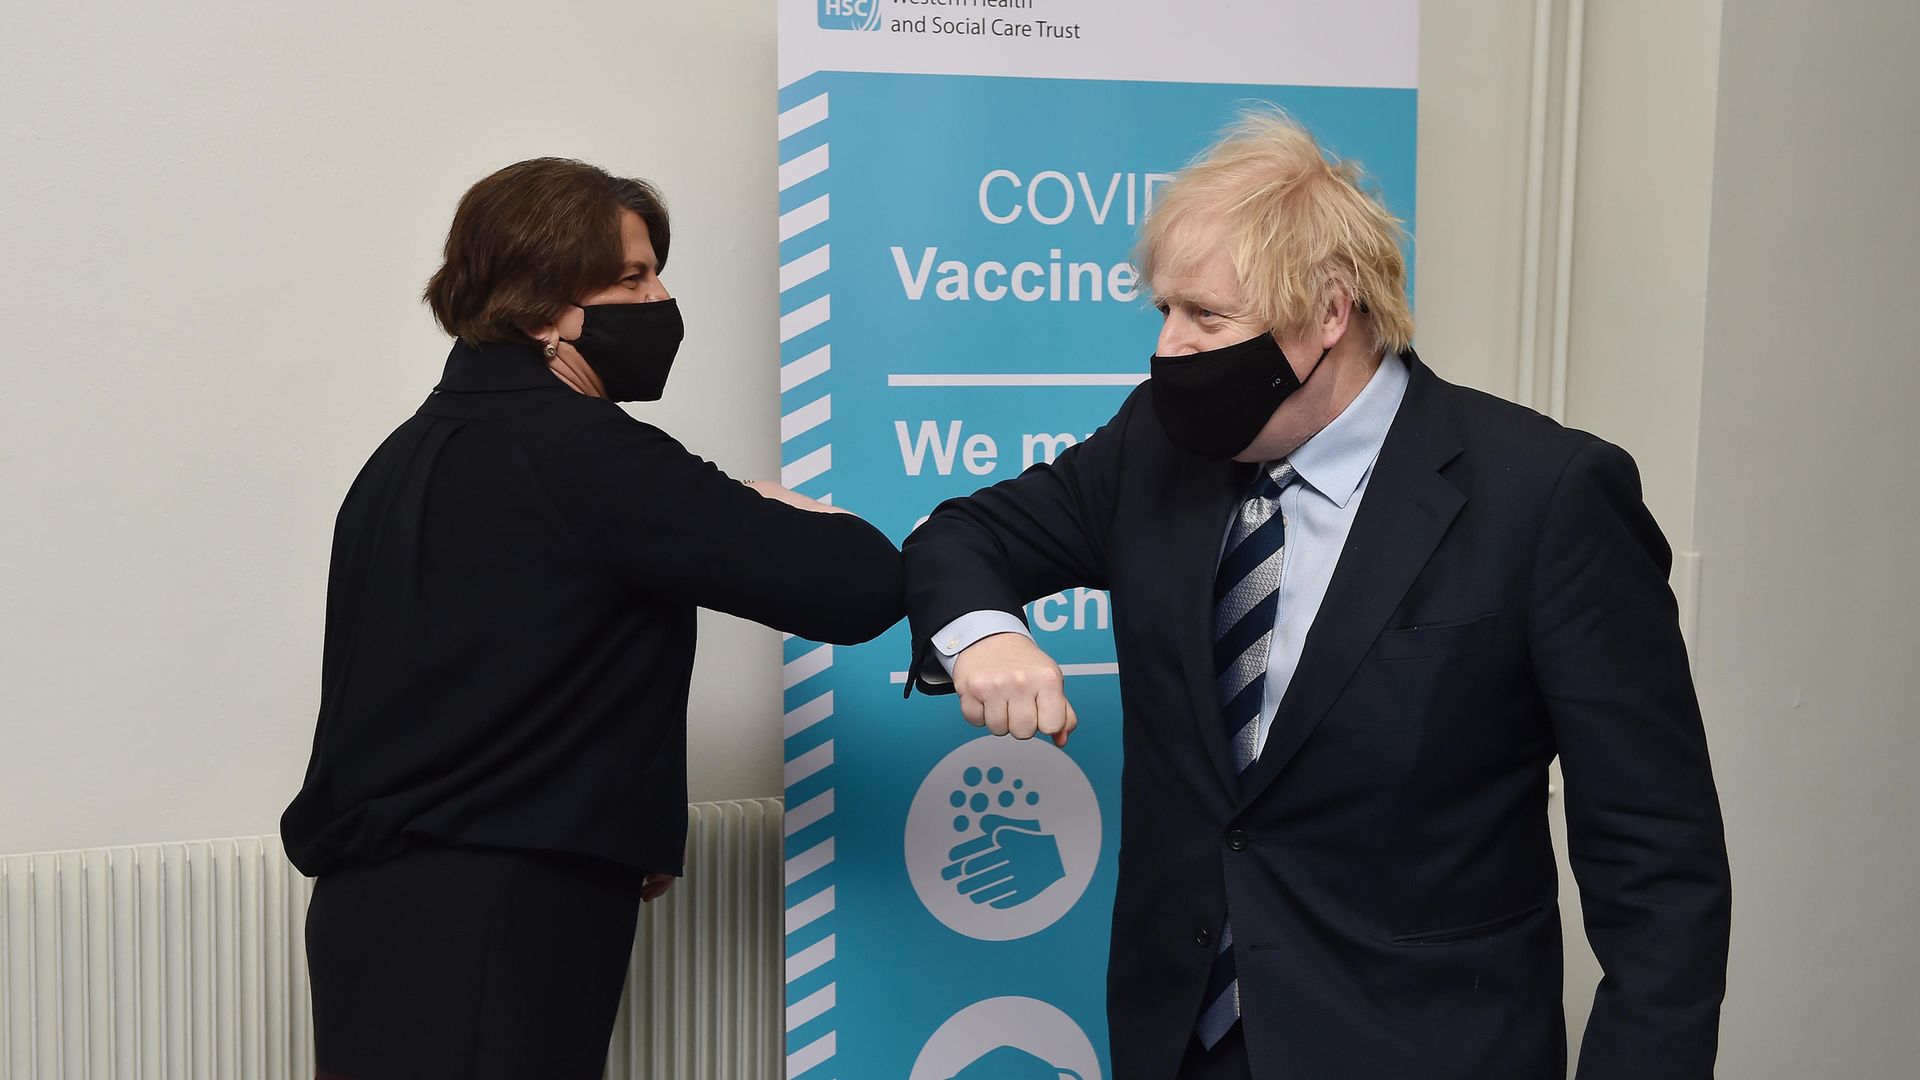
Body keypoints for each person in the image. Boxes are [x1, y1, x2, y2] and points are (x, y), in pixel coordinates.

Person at [903, 114, 1731, 1079]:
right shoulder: (1153, 448)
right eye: (1163, 311)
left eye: (1206, 317)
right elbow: (963, 535)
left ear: (1328, 313)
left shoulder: (1545, 496)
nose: (1169, 350)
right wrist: (985, 636)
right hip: (1182, 1043)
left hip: (1421, 1049)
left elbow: (1659, 867)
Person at [281, 158, 903, 1080]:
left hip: (374, 909)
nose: (660, 297)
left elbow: (498, 666)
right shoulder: (587, 457)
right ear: (542, 308)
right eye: (631, 278)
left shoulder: (407, 454)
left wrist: (626, 816)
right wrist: (792, 510)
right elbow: (859, 589)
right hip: (503, 907)